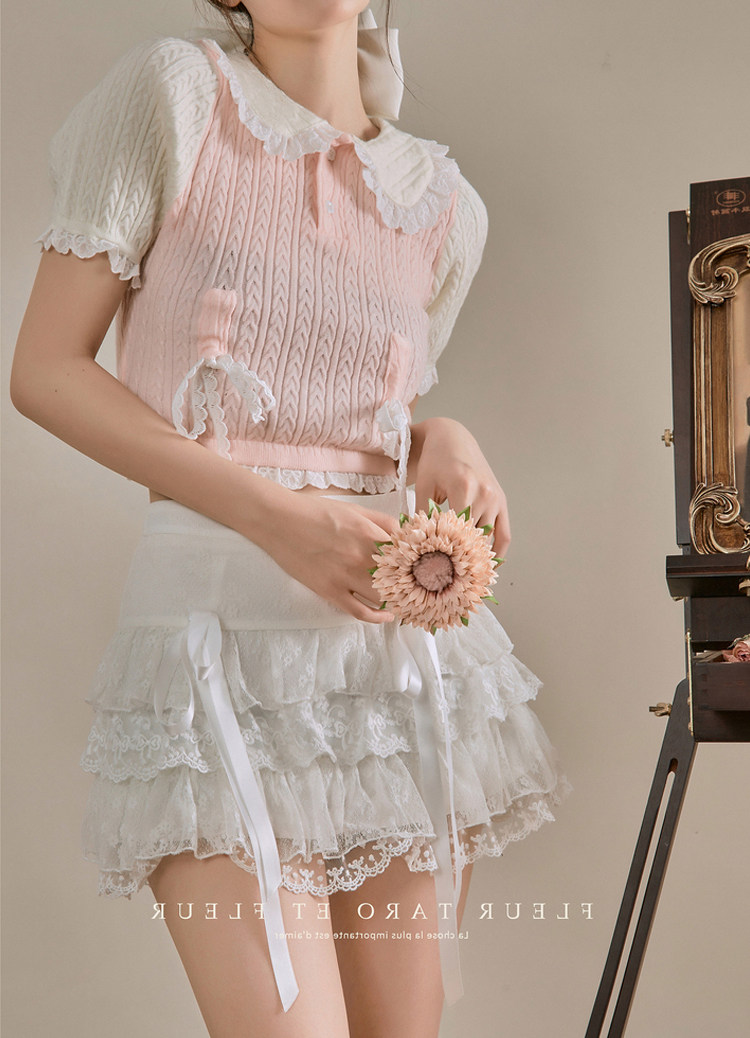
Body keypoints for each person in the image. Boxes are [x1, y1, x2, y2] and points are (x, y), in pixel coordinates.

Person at [10, 3, 570, 1036]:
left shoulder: (446, 206)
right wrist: (279, 520)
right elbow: (45, 371)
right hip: (213, 651)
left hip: (394, 674)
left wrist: (440, 434)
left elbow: (354, 414)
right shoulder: (175, 94)